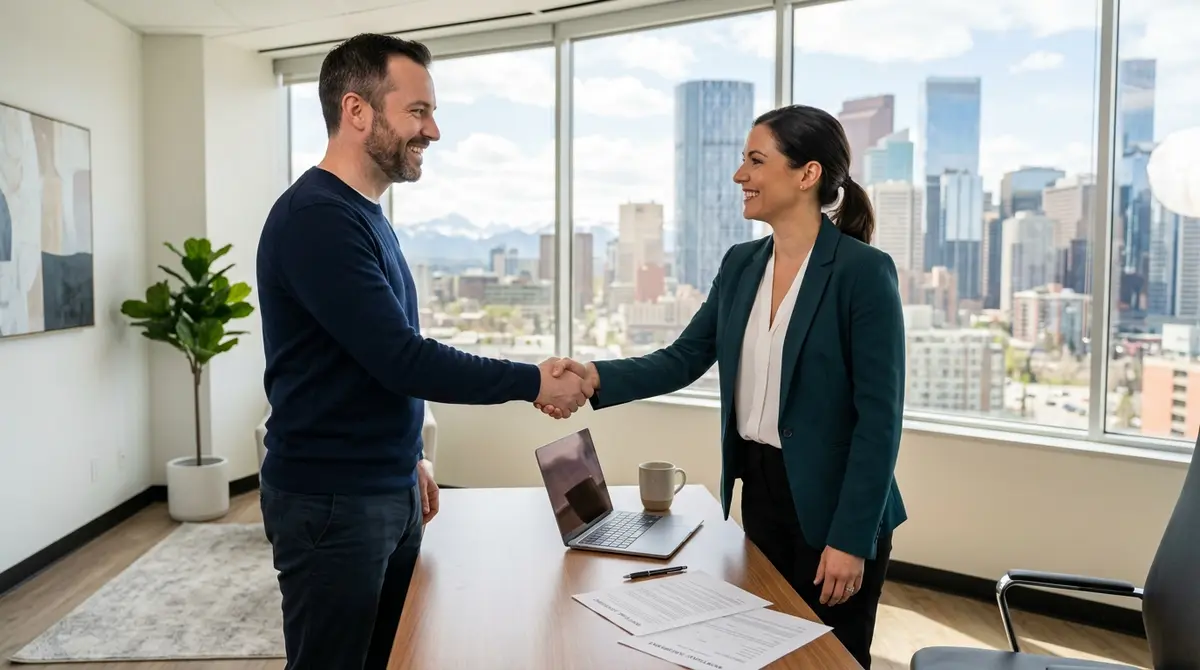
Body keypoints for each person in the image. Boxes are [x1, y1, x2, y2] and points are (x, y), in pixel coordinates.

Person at [255, 33, 593, 670]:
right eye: (417, 111)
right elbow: (400, 357)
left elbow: (366, 364)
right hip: (333, 500)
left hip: (381, 486)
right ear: (357, 111)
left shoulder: (366, 214)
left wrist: (408, 457)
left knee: (392, 657)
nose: (432, 130)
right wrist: (534, 382)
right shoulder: (316, 219)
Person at [537, 104, 906, 668]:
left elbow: (879, 421)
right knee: (763, 647)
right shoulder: (741, 264)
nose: (740, 176)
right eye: (742, 160)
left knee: (830, 657)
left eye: (756, 161)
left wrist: (851, 539)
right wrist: (594, 377)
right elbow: (685, 356)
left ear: (807, 174)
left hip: (835, 504)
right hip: (759, 488)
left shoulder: (862, 272)